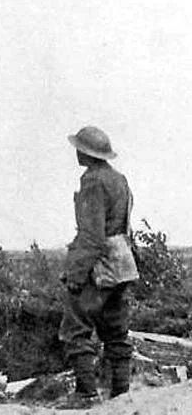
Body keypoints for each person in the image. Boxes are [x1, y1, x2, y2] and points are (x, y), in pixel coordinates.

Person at [57, 126, 136, 409]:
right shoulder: (119, 179)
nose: (77, 153)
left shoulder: (92, 181)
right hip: (123, 262)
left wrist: (76, 275)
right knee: (116, 330)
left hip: (99, 265)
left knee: (76, 327)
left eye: (79, 148)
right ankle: (121, 397)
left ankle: (86, 395)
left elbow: (92, 235)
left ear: (86, 153)